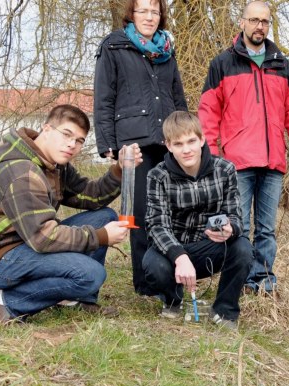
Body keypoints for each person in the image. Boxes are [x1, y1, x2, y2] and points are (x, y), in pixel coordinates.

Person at [0, 104, 140, 325]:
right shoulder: (22, 172)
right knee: (90, 274)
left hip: (26, 242)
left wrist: (119, 170)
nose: (72, 145)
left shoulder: (54, 165)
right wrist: (101, 237)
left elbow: (90, 195)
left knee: (104, 216)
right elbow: (43, 238)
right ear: (46, 129)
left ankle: (76, 299)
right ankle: (7, 302)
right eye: (66, 134)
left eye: (79, 141)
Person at [197, 0, 289, 295]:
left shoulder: (282, 65)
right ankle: (238, 278)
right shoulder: (222, 63)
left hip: (273, 162)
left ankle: (262, 280)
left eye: (265, 21)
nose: (259, 26)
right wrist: (211, 155)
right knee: (238, 227)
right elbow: (208, 113)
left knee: (266, 230)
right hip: (237, 162)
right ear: (242, 23)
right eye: (254, 20)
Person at [94, 0, 188, 298]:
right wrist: (108, 143)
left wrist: (187, 135)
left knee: (170, 213)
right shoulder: (114, 46)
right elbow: (104, 96)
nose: (150, 16)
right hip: (134, 142)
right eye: (144, 11)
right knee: (143, 214)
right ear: (131, 15)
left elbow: (177, 95)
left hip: (168, 142)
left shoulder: (167, 50)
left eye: (155, 11)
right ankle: (147, 283)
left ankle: (169, 277)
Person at [142, 111, 253, 330]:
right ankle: (173, 299)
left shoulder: (225, 169)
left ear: (202, 140)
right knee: (152, 265)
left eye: (192, 141)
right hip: (173, 250)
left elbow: (236, 217)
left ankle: (224, 311)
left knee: (243, 249)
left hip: (209, 248)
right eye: (179, 143)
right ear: (169, 146)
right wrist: (179, 256)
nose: (186, 149)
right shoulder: (157, 176)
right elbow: (156, 225)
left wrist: (230, 229)